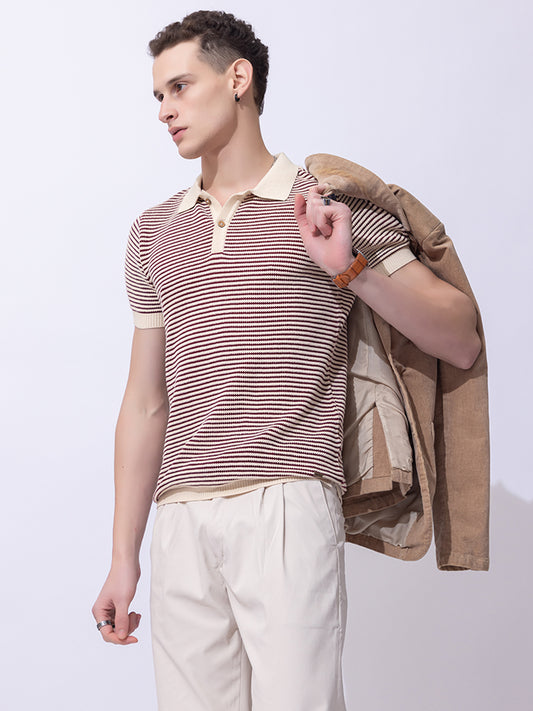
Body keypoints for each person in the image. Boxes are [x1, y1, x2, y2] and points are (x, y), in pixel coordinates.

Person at [92, 10, 482, 710]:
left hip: (286, 501)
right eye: (157, 95)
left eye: (179, 87)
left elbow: (459, 337)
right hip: (180, 514)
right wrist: (124, 557)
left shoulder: (326, 206)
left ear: (237, 78)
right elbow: (145, 402)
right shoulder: (153, 232)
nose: (165, 110)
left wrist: (350, 269)